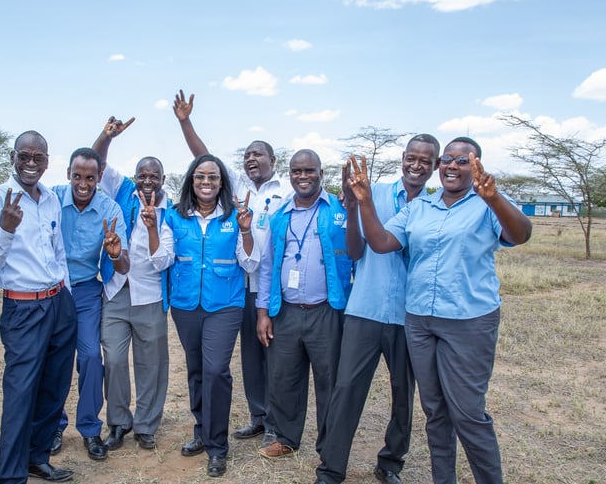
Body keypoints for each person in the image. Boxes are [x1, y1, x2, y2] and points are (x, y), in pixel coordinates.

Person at [348, 137, 532, 484]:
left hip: (468, 321)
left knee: (467, 413)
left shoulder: (485, 204)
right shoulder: (421, 208)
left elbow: (521, 234)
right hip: (420, 321)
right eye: (447, 159)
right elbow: (381, 243)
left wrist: (493, 197)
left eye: (462, 161)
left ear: (476, 166)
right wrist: (366, 203)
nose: (452, 165)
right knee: (435, 412)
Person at [315, 134, 441, 484]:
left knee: (404, 394)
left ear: (435, 165)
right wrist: (355, 206)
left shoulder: (434, 208)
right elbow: (355, 252)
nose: (416, 165)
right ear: (402, 158)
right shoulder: (374, 193)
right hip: (365, 309)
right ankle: (331, 467)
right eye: (411, 157)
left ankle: (390, 463)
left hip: (410, 315)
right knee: (347, 389)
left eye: (425, 160)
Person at [173, 89, 291, 446]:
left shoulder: (285, 190)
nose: (252, 159)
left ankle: (275, 422)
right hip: (237, 283)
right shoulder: (234, 185)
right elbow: (202, 157)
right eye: (247, 155)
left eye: (259, 154)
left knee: (273, 354)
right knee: (249, 357)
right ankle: (257, 416)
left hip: (270, 284)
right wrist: (185, 121)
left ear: (273, 159)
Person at [149, 153, 257, 478]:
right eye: (200, 177)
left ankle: (217, 446)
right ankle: (201, 430)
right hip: (185, 305)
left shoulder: (234, 217)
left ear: (221, 182)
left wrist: (247, 230)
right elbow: (160, 261)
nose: (206, 182)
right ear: (191, 182)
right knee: (196, 369)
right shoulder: (174, 217)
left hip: (225, 305)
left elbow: (250, 264)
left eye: (212, 177)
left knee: (216, 370)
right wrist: (152, 228)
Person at [0, 131, 77, 483]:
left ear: (48, 161)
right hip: (23, 309)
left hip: (57, 302)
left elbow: (58, 252)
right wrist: (6, 229)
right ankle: (9, 476)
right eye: (25, 156)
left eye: (39, 158)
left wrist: (64, 291)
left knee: (55, 387)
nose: (31, 164)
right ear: (13, 158)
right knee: (21, 392)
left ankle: (37, 458)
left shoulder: (51, 198)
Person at [255, 149, 353, 460]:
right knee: (284, 378)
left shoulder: (340, 208)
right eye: (296, 171)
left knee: (329, 380)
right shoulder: (280, 215)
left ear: (320, 174)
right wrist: (263, 313)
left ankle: (329, 447)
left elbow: (356, 254)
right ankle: (285, 438)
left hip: (326, 310)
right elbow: (268, 266)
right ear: (290, 174)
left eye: (309, 170)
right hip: (285, 311)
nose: (302, 176)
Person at [90, 117, 171, 451]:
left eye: (154, 176)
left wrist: (153, 227)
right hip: (115, 293)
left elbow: (164, 259)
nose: (147, 181)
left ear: (163, 179)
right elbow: (95, 163)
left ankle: (147, 424)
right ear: (135, 177)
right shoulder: (122, 190)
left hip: (150, 296)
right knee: (116, 361)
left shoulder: (172, 211)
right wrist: (106, 136)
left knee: (152, 364)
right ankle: (119, 422)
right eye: (142, 175)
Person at [50, 148, 128, 461]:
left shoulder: (110, 209)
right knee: (54, 358)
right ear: (69, 173)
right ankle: (53, 426)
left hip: (85, 290)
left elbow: (123, 266)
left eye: (91, 178)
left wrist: (113, 253)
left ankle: (90, 428)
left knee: (92, 357)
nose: (84, 183)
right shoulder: (51, 199)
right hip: (52, 288)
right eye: (78, 176)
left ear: (98, 178)